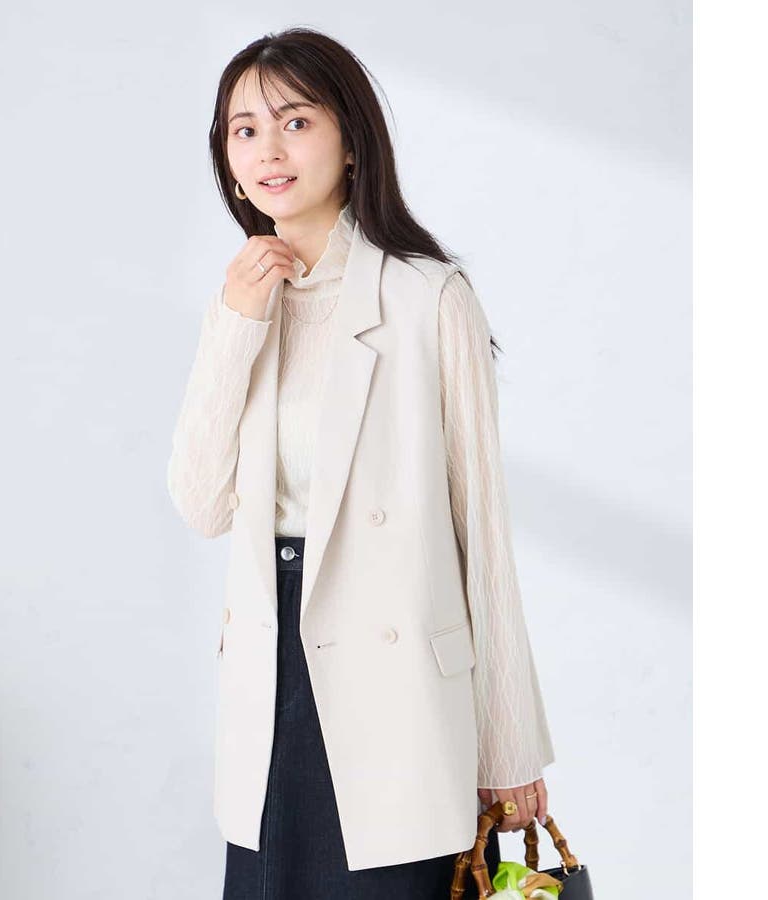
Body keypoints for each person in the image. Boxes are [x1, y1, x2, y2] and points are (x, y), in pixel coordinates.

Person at [166, 27, 555, 900]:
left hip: (396, 679)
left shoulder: (428, 296)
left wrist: (509, 746)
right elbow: (200, 503)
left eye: (296, 121)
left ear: (351, 142)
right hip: (272, 670)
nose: (269, 149)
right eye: (245, 129)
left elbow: (482, 532)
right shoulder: (243, 304)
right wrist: (235, 322)